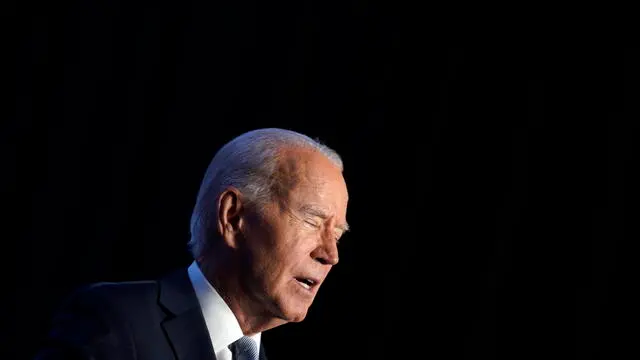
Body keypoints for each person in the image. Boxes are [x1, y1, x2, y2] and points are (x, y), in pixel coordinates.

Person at [34, 128, 350, 360]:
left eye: (336, 234)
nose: (330, 255)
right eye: (312, 221)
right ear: (233, 216)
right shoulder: (116, 323)